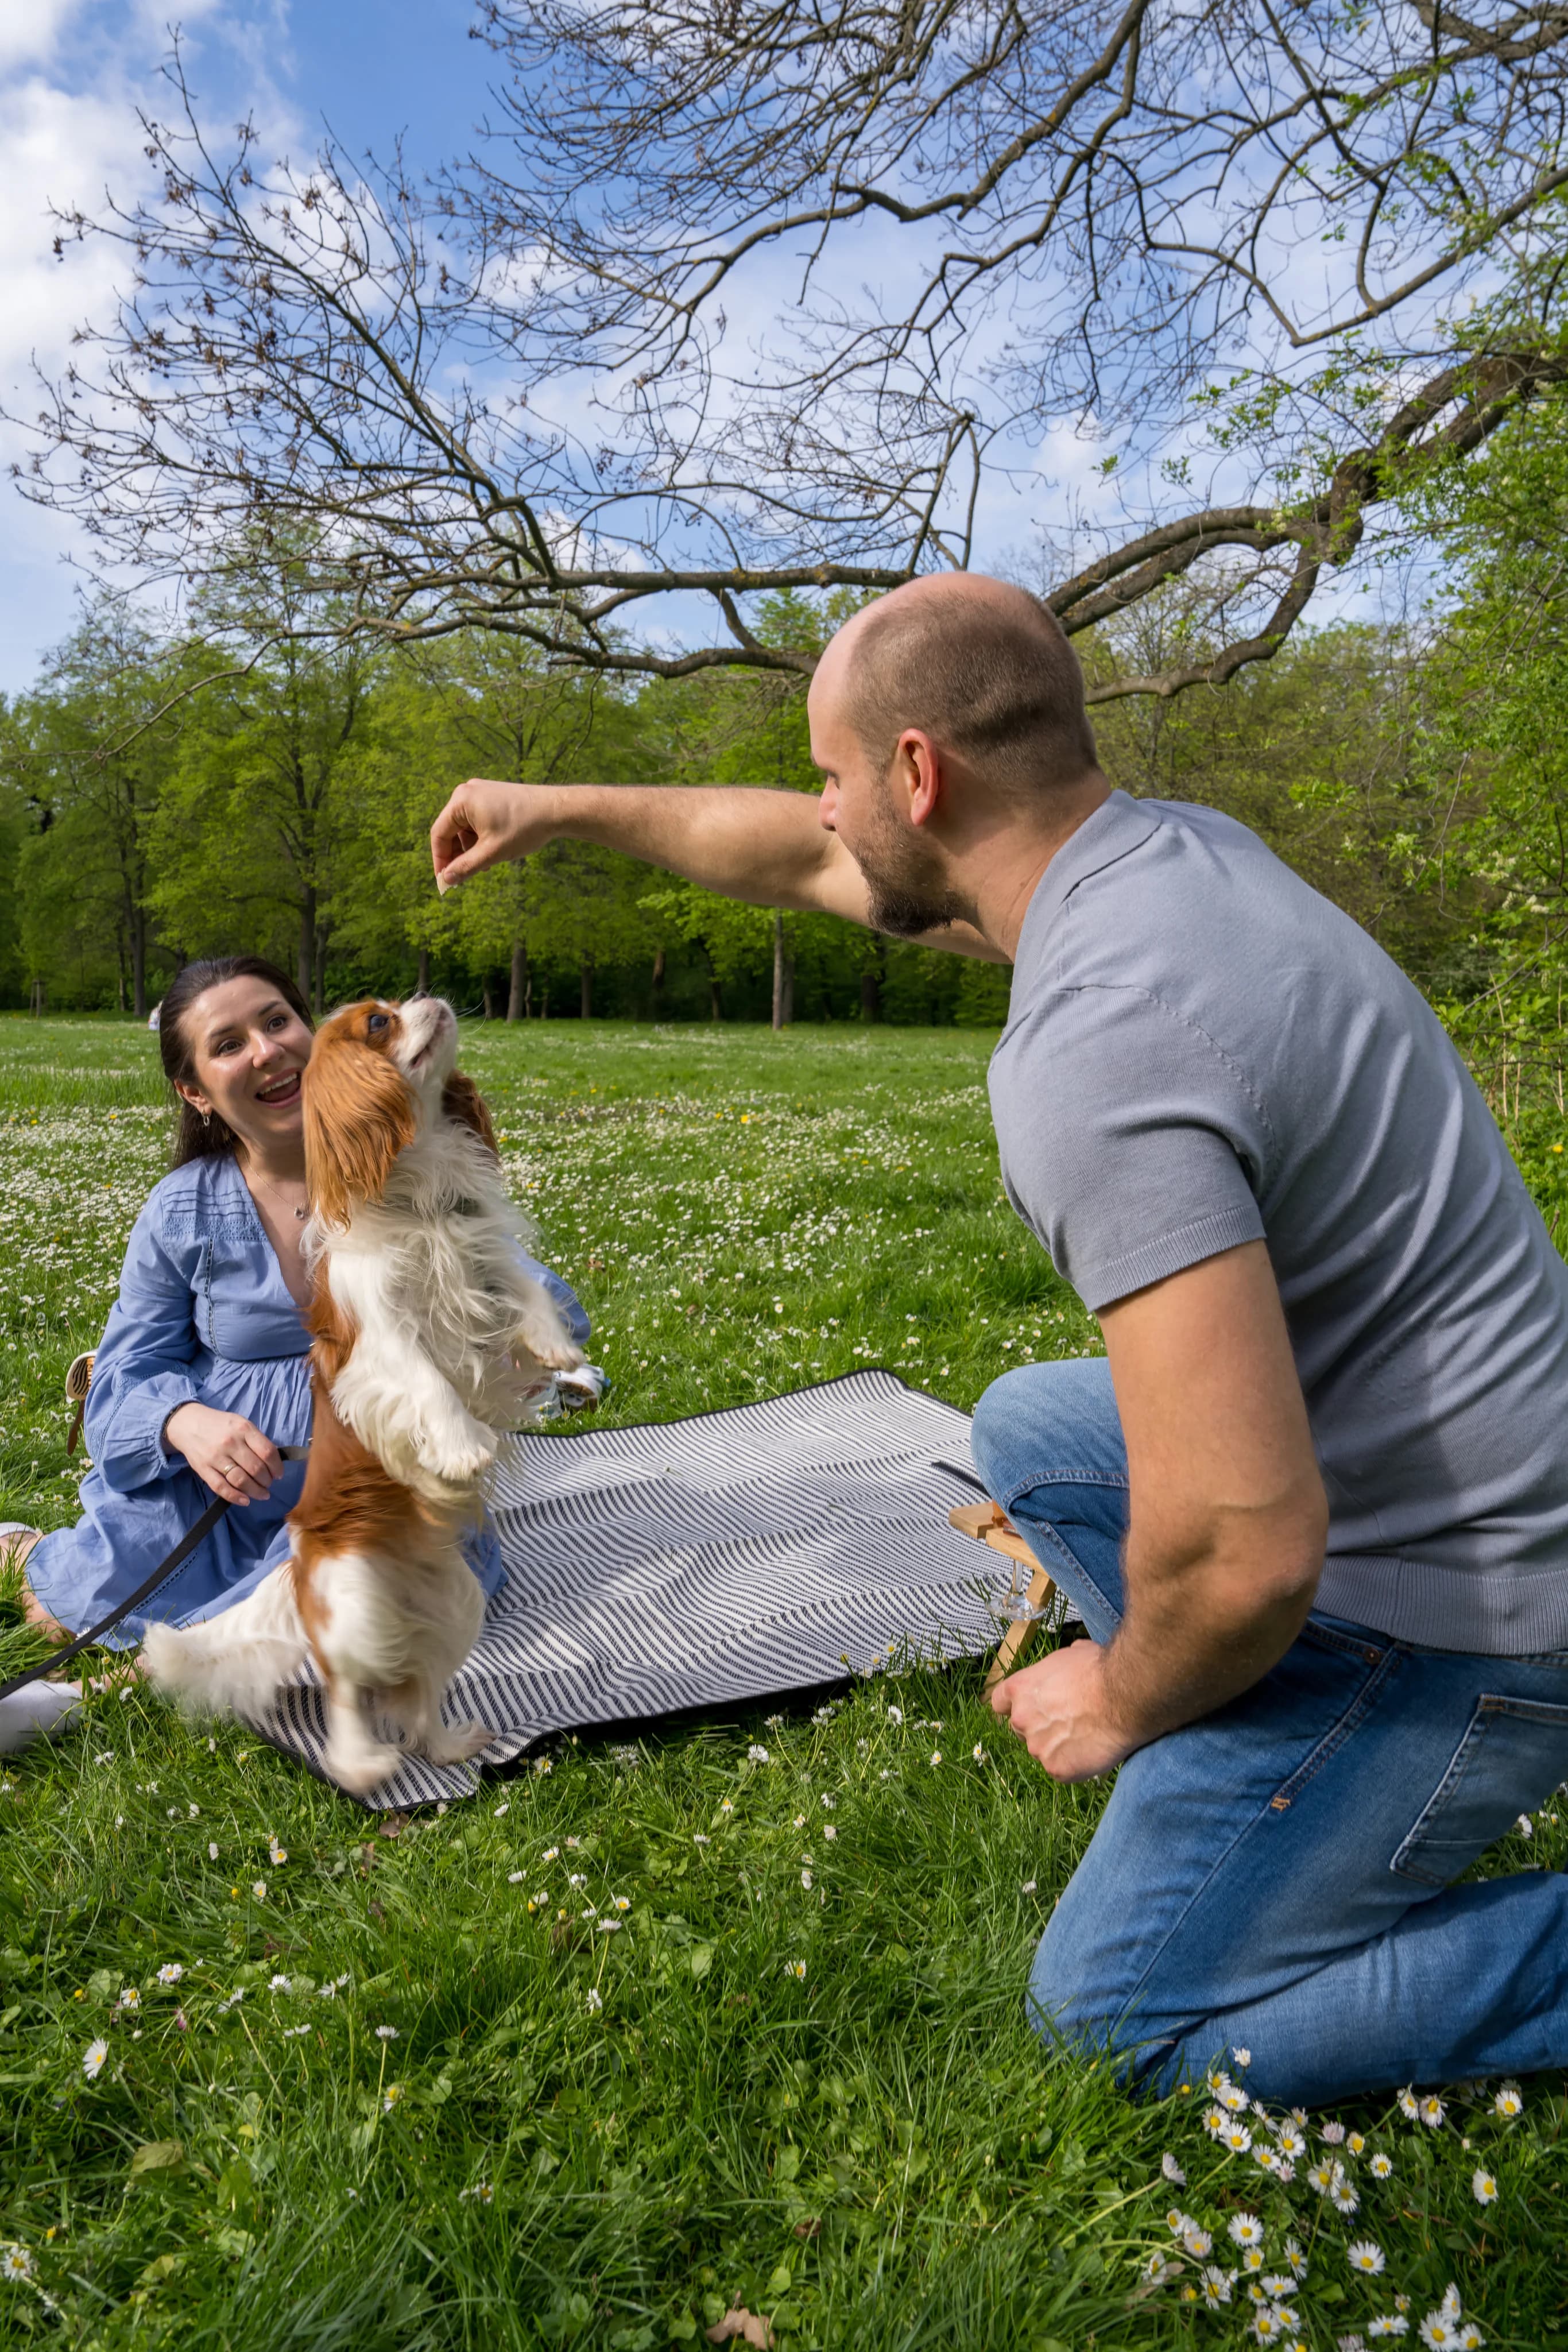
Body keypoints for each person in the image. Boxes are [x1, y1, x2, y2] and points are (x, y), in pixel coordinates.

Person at [428, 573, 1568, 2106]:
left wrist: (1121, 1695)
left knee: (1115, 2022)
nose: (820, 813)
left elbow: (1245, 1546)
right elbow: (795, 857)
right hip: (1479, 1462)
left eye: (832, 776)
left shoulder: (1100, 1040)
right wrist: (553, 808)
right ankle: (1243, 1743)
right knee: (1034, 1422)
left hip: (1471, 1606)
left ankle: (1277, 1739)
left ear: (917, 774)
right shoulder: (1175, 859)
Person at [5, 956, 587, 1654]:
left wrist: (514, 1341)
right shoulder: (182, 1209)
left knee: (362, 1625)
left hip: (373, 1487)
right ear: (195, 1091)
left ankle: (155, 1668)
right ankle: (25, 1550)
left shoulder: (403, 1154)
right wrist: (185, 1423)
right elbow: (123, 1382)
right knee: (67, 1603)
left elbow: (521, 1284)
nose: (266, 1050)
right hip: (220, 1497)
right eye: (228, 1044)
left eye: (277, 1021)